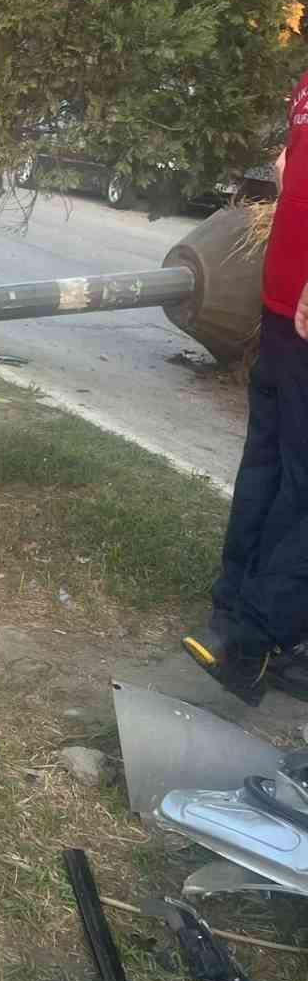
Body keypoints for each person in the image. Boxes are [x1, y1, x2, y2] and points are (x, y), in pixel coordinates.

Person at [183, 77, 308, 704]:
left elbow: (289, 170)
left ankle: (231, 612)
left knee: (273, 467)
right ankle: (256, 638)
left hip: (286, 301)